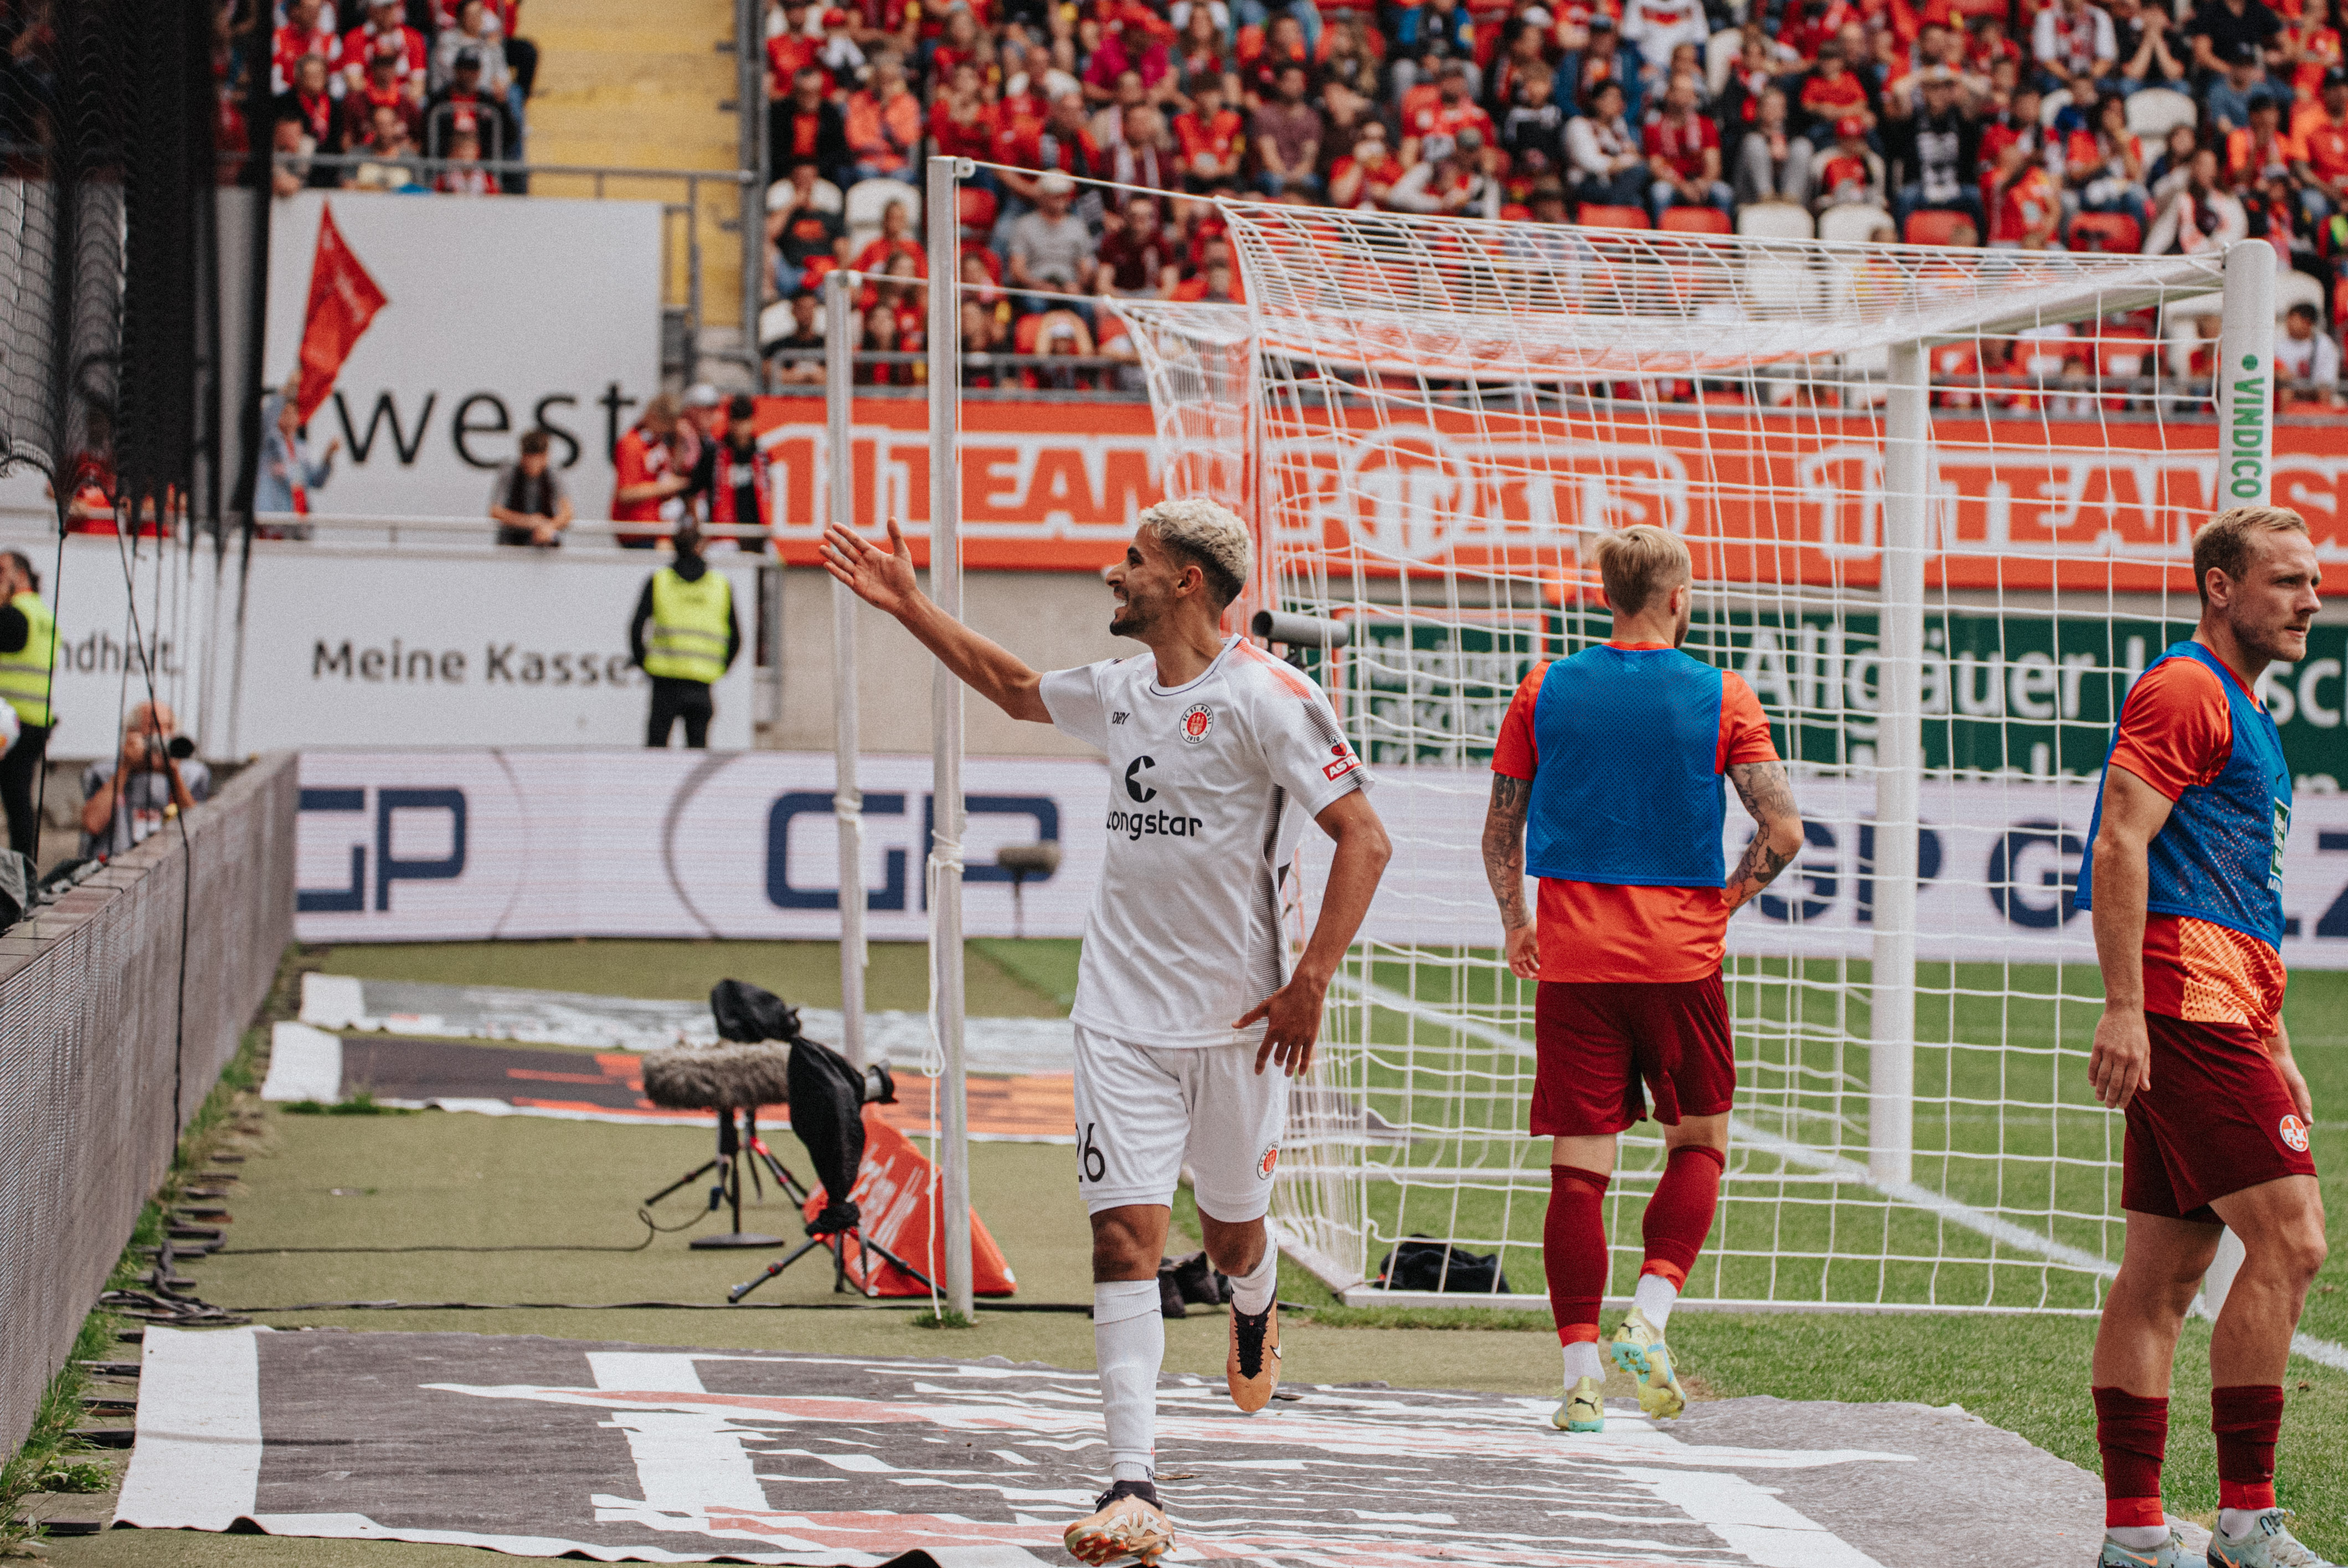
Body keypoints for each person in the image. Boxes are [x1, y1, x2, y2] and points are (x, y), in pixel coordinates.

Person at [820, 498, 1391, 1567]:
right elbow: (1014, 687)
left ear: (1186, 581)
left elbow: (1365, 837)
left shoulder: (1273, 698)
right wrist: (909, 605)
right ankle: (1135, 1483)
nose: (1109, 573)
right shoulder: (1123, 691)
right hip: (1119, 1018)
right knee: (1123, 1239)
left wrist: (1311, 980)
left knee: (1230, 1238)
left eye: (1133, 561)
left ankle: (1255, 1302)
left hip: (1239, 1030)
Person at [1477, 524, 1803, 1436]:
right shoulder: (1722, 692)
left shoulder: (1544, 686)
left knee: (1580, 1165)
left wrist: (1516, 922)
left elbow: (1501, 831)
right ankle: (1648, 1319)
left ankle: (1579, 1380)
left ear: (1605, 596)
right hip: (1679, 960)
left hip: (1574, 959)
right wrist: (1727, 903)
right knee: (1699, 1136)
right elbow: (1783, 830)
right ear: (1678, 598)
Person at [2071, 508, 2332, 1568]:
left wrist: (2273, 1038)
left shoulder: (2246, 711)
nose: (2310, 600)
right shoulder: (2185, 687)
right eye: (2287, 581)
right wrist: (2126, 1005)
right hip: (2188, 1006)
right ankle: (2246, 1521)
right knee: (2292, 1239)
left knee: (2163, 1275)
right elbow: (2119, 841)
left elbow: (2231, 885)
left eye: (2314, 583)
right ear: (2221, 588)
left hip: (2229, 1008)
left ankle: (2135, 1532)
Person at [630, 523, 742, 749]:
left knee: (655, 752)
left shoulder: (659, 580)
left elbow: (636, 629)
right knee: (697, 753)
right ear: (701, 546)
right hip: (701, 684)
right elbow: (737, 638)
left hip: (664, 682)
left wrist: (647, 664)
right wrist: (718, 668)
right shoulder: (719, 585)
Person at [80, 703, 208, 860]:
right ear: (133, 732)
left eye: (168, 727)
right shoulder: (103, 772)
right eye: (153, 726)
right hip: (113, 865)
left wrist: (173, 774)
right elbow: (92, 825)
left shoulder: (192, 774)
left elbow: (199, 830)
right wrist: (126, 767)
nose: (162, 736)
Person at [0, 551, 56, 863]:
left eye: (2, 570)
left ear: (21, 575)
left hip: (11, 723)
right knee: (19, 801)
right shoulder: (42, 612)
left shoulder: (15, 613)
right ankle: (25, 872)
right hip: (35, 720)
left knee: (18, 802)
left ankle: (21, 874)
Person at [611, 394, 687, 548]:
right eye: (665, 427)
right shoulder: (631, 444)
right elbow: (625, 493)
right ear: (653, 417)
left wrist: (680, 439)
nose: (665, 433)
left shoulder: (656, 444)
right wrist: (664, 488)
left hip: (659, 529)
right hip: (639, 532)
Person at [254, 388, 337, 518]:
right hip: (276, 515)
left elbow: (315, 481)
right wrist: (285, 393)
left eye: (294, 414)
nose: (290, 419)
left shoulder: (301, 448)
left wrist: (328, 456)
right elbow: (268, 423)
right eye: (285, 414)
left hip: (299, 518)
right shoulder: (269, 444)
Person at [488, 429, 572, 547]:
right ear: (522, 456)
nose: (533, 466)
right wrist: (529, 522)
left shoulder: (553, 474)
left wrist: (549, 526)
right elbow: (495, 511)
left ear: (545, 457)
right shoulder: (509, 472)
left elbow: (567, 513)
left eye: (537, 460)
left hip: (544, 548)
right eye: (529, 460)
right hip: (512, 544)